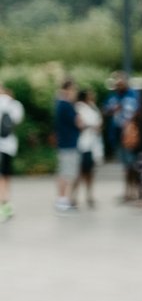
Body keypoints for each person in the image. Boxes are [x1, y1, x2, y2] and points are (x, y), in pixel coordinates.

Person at [53, 79, 81, 213]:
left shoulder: (59, 103)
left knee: (64, 172)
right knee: (66, 173)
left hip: (65, 143)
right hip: (68, 143)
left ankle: (62, 200)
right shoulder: (66, 105)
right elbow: (79, 122)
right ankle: (62, 200)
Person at [74, 87, 104, 209]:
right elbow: (80, 124)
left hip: (93, 144)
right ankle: (74, 196)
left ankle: (89, 195)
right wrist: (92, 126)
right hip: (83, 144)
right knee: (81, 171)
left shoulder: (93, 106)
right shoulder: (79, 107)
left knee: (90, 172)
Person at [0, 82, 19, 223]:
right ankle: (7, 204)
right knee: (6, 176)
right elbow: (17, 120)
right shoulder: (13, 104)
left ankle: (4, 205)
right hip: (9, 146)